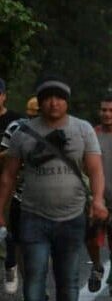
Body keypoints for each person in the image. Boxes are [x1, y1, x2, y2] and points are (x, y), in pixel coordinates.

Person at [0, 75, 108, 301]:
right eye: (47, 98)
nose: (53, 103)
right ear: (39, 102)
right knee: (34, 279)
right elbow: (8, 176)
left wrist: (98, 200)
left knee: (68, 281)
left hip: (72, 216)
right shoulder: (23, 133)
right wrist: (0, 210)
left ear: (67, 101)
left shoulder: (83, 129)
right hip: (33, 216)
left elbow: (96, 169)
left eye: (59, 97)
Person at [86, 94, 112, 296]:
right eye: (104, 110)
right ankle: (96, 266)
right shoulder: (90, 134)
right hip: (96, 197)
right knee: (92, 238)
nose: (107, 114)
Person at [0, 78, 21, 294]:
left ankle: (11, 265)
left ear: (4, 95)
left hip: (9, 181)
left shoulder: (15, 121)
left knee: (9, 227)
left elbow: (18, 151)